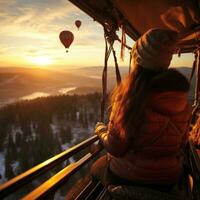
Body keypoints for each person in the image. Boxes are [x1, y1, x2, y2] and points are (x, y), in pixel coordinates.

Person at [90, 28, 191, 192]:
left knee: (96, 170)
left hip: (128, 177)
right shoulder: (183, 102)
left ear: (137, 61)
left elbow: (116, 148)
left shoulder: (129, 101)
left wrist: (101, 131)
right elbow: (182, 143)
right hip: (169, 178)